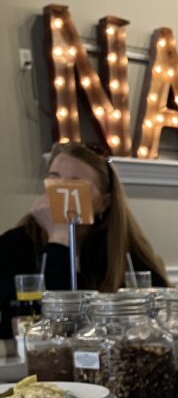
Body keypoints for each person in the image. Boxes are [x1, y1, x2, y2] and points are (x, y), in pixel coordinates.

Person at [0, 141, 168, 340]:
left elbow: (162, 309)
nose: (60, 190)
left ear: (104, 203)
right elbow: (39, 325)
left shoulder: (119, 248)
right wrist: (59, 239)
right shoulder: (14, 245)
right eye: (54, 179)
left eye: (74, 184)